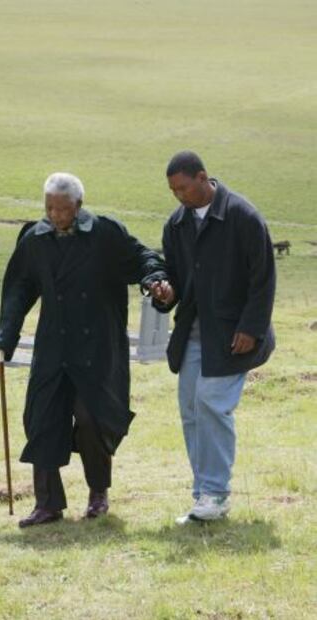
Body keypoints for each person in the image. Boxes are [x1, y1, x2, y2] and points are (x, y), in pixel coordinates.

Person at [0, 172, 166, 527]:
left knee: (91, 420)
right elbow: (19, 289)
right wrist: (5, 337)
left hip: (97, 348)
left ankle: (98, 493)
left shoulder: (104, 234)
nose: (56, 216)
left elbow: (141, 258)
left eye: (63, 209)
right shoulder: (34, 239)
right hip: (54, 347)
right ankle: (47, 504)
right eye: (50, 208)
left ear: (79, 206)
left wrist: (153, 279)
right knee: (42, 419)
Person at [150, 151, 276, 522]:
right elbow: (175, 277)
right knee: (190, 410)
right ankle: (204, 493)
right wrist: (166, 294)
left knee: (211, 404)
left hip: (233, 336)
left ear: (203, 177)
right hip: (191, 333)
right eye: (173, 190)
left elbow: (263, 278)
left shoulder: (243, 216)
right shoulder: (176, 225)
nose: (179, 197)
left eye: (184, 188)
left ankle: (216, 494)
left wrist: (251, 328)